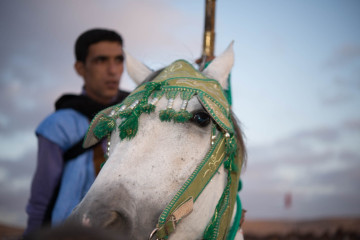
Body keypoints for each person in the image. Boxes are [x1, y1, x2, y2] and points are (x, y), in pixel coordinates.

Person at [24, 28, 129, 235]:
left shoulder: (133, 114)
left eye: (119, 60)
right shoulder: (58, 125)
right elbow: (41, 199)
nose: (113, 70)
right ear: (80, 68)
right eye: (101, 60)